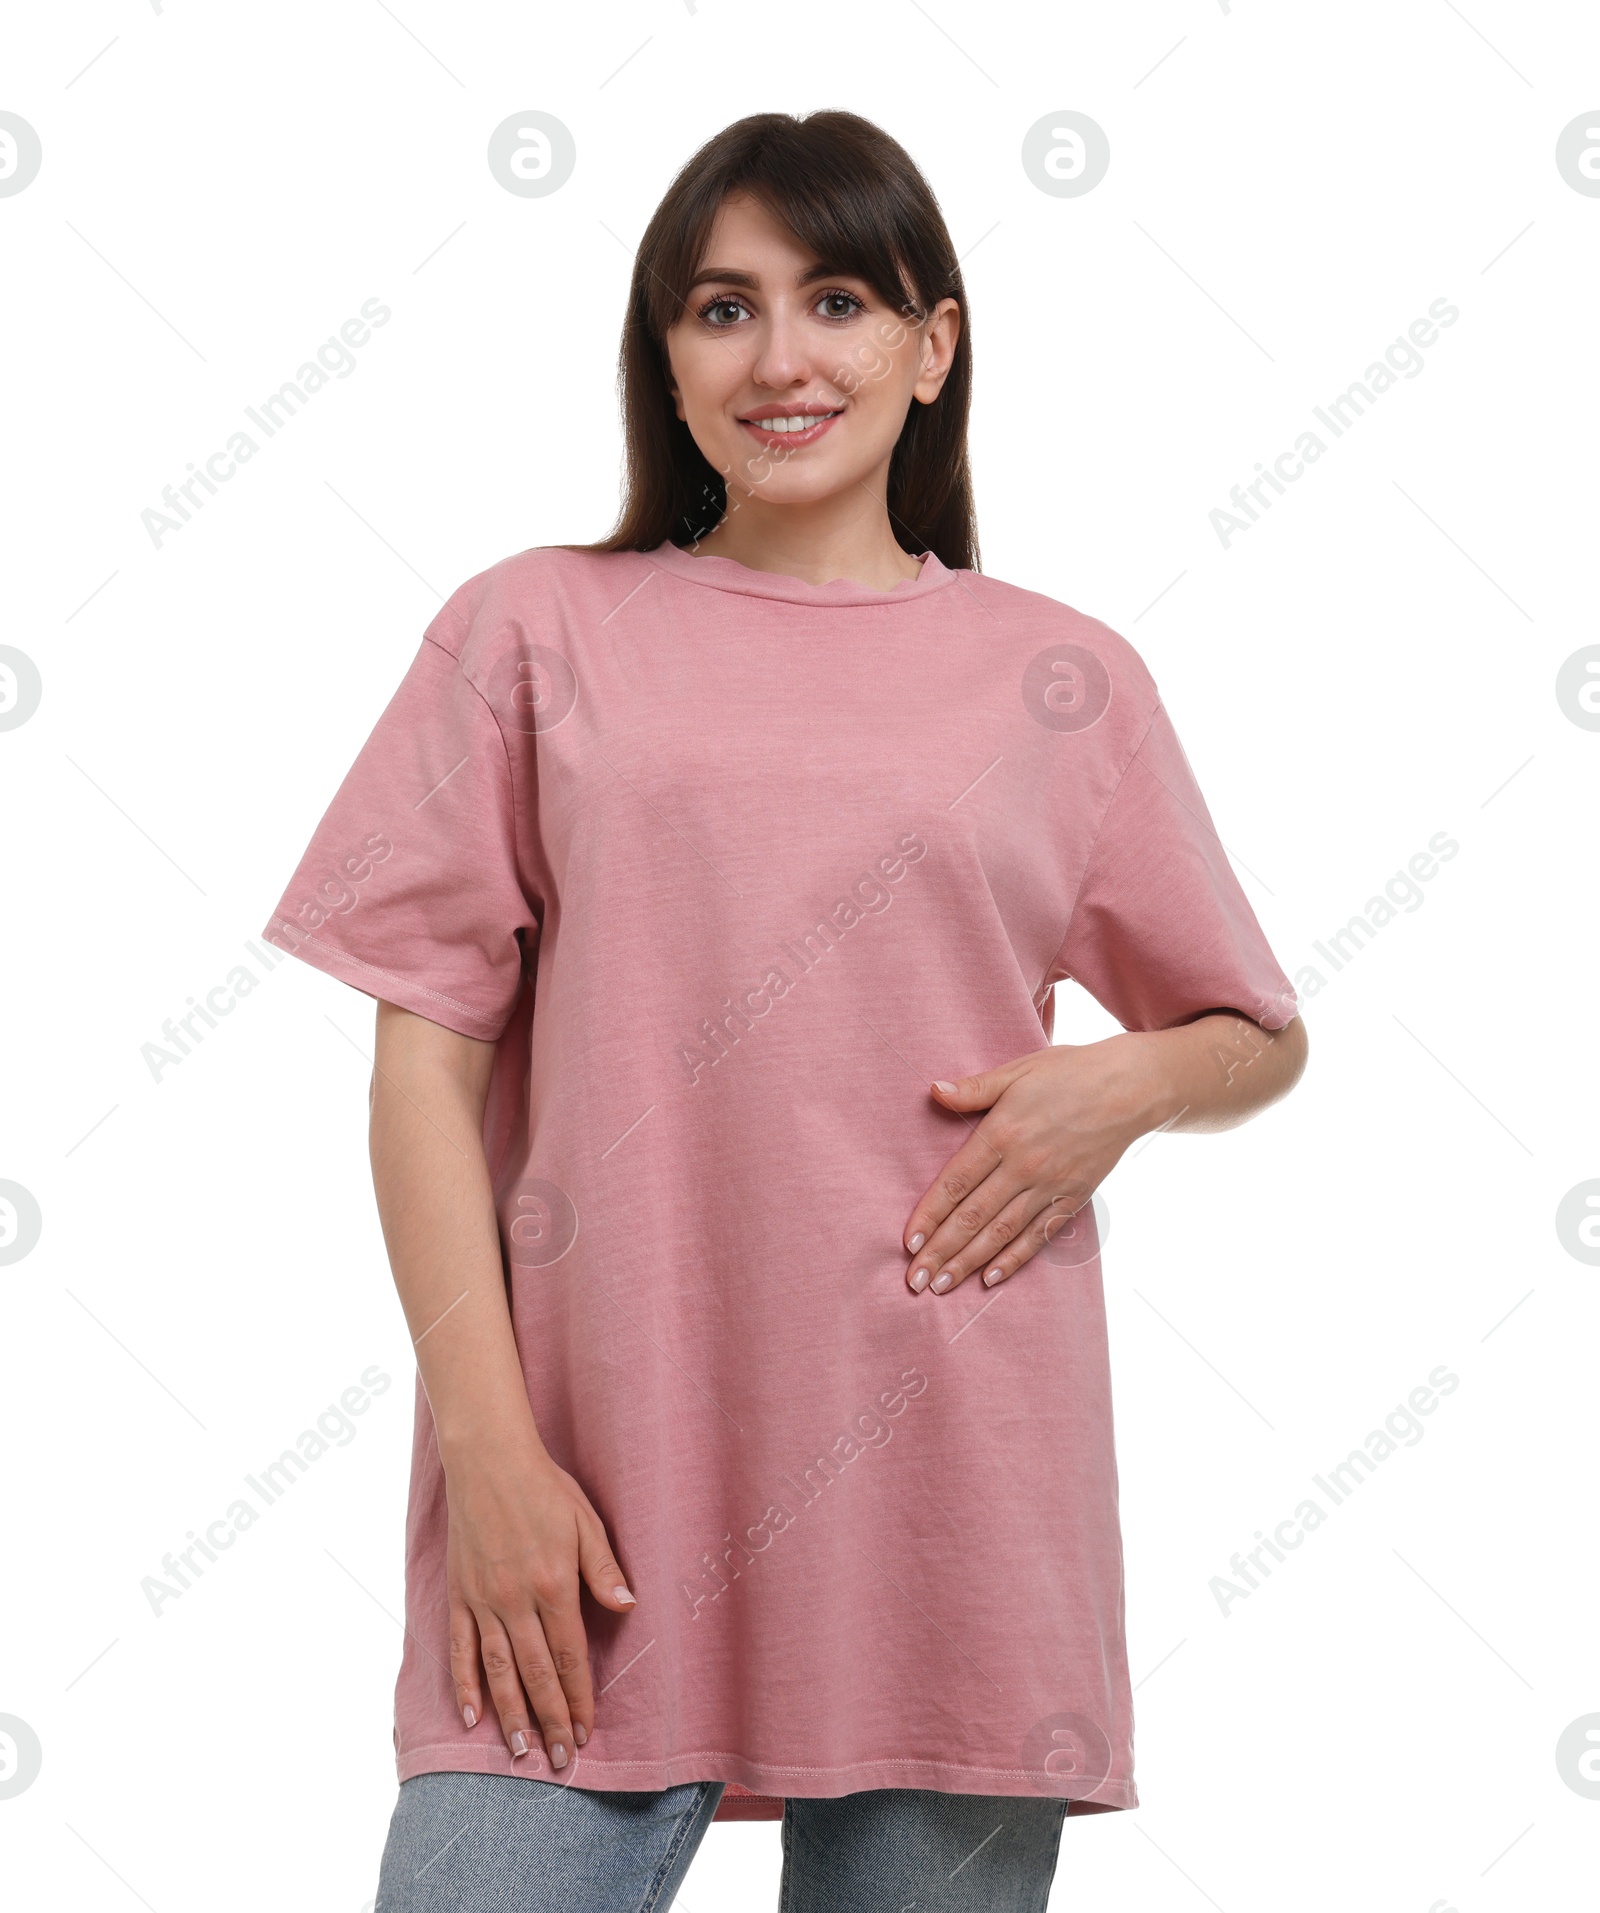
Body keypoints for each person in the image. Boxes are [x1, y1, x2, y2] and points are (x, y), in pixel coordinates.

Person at [264, 108, 1307, 1913]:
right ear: (664, 361)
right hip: (579, 1506)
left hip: (956, 1515)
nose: (781, 357)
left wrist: (1121, 1086)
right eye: (721, 309)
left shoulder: (1062, 680)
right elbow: (420, 1074)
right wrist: (492, 1454)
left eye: (835, 299)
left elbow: (1254, 1029)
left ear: (932, 344)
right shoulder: (532, 634)